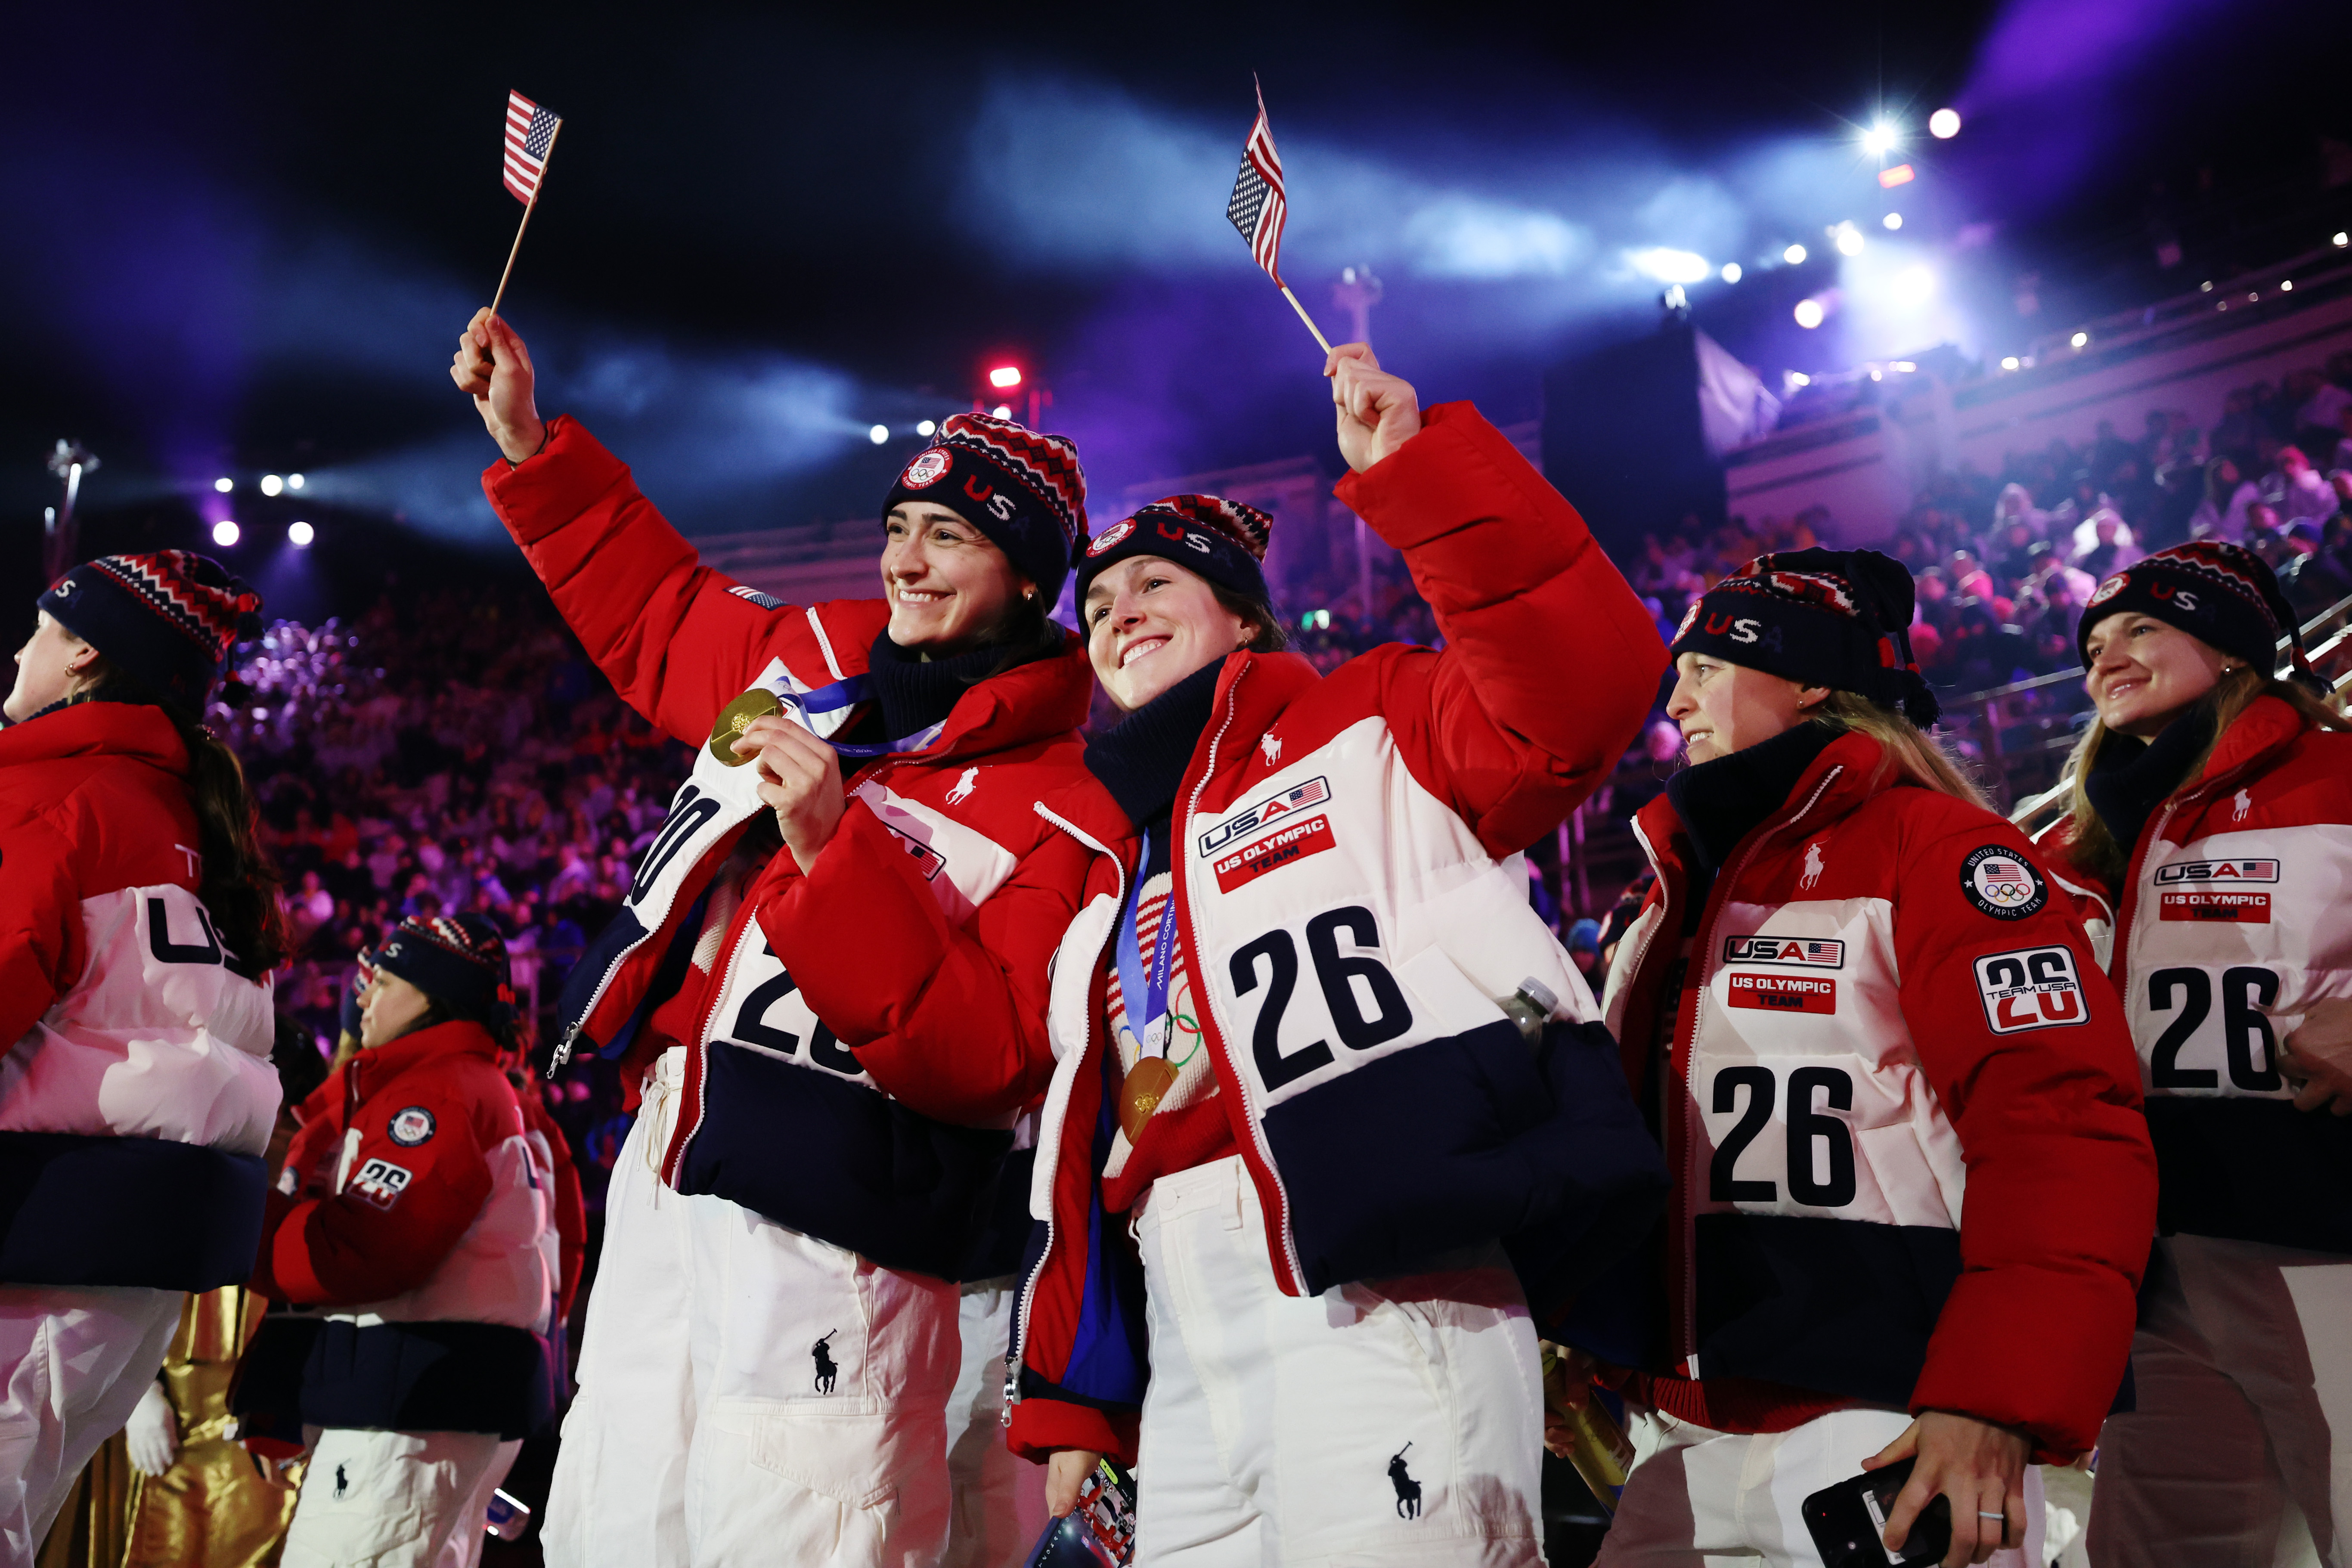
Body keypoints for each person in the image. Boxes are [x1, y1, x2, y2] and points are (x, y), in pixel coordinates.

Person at [452, 308, 1107, 1568]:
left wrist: (828, 844)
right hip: (676, 1164)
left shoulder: (1072, 794)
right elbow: (653, 609)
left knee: (801, 1528)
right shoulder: (807, 660)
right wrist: (533, 447)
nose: (908, 563)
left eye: (953, 537)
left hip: (850, 1209)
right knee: (613, 1509)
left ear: (1033, 576)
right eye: (900, 529)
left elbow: (983, 1052)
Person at [1007, 344, 1671, 1565]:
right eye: (1097, 607)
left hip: (1387, 1284)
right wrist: (1078, 1400)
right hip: (1185, 1332)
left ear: (1242, 613)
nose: (1118, 616)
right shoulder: (1109, 851)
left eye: (1156, 584)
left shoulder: (1366, 716)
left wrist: (1423, 478)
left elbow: (1587, 692)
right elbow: (1084, 1138)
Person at [1568, 548, 2156, 1568]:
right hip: (1680, 1433)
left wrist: (1993, 1397)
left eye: (1705, 667)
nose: (1676, 698)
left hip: (1891, 1420)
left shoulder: (1942, 850)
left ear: (1806, 680)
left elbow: (2060, 1127)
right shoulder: (1667, 881)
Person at [2032, 541, 2352, 1567]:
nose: (2103, 660)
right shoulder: (2072, 843)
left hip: (2325, 1238)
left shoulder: (2336, 776)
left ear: (2228, 648)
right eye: (2089, 645)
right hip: (2152, 1264)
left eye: (2138, 628)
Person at [0, 551, 285, 1562]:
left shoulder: (54, 798)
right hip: (131, 1271)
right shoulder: (191, 819)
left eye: (37, 627)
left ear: (83, 654)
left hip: (39, 1244)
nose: (19, 646)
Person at [238, 914, 559, 1568]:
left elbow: (367, 1249)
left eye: (383, 980)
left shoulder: (439, 1092)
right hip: (422, 1400)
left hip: (411, 1411)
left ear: (432, 997)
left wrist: (242, 1221)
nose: (362, 996)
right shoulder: (451, 1084)